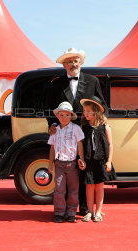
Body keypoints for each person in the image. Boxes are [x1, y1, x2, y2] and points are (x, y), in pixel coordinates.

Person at [47, 47, 107, 216]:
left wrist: (103, 119)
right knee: (67, 172)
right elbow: (48, 107)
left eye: (76, 61)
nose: (73, 64)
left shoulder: (92, 81)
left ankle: (86, 207)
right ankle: (66, 209)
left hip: (86, 131)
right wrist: (52, 124)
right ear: (64, 65)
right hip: (64, 131)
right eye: (69, 61)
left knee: (84, 167)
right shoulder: (56, 84)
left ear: (81, 63)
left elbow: (102, 104)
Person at [47, 101, 86, 223]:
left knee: (74, 189)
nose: (64, 118)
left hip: (72, 164)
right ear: (57, 116)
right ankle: (59, 212)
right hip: (59, 164)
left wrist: (82, 159)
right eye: (62, 115)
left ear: (71, 116)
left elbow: (80, 144)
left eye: (67, 115)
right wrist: (50, 163)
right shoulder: (55, 130)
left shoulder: (76, 129)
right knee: (59, 189)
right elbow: (52, 148)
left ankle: (71, 213)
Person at [80, 96, 116, 222]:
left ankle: (98, 212)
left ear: (96, 111)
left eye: (88, 111)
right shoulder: (84, 127)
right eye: (84, 111)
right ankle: (90, 212)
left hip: (101, 160)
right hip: (89, 160)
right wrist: (82, 159)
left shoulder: (105, 127)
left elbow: (111, 144)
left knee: (99, 186)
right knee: (89, 186)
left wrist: (109, 161)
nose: (85, 113)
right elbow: (81, 144)